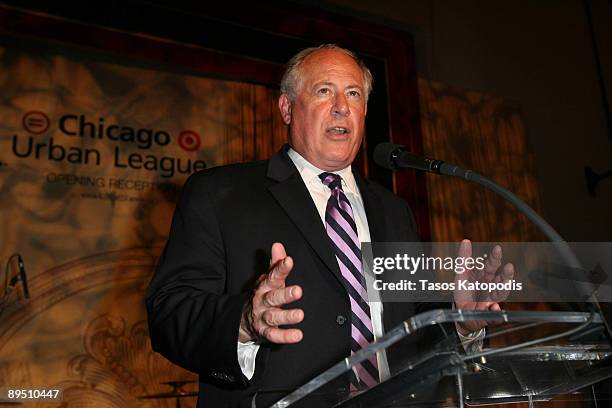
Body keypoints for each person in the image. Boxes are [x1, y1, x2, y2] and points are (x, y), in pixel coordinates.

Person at [146, 44, 512, 408]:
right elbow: (169, 313)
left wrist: (460, 323)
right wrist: (244, 322)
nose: (342, 106)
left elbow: (412, 326)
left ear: (364, 111)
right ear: (287, 108)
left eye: (353, 94)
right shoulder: (220, 194)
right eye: (324, 91)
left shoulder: (394, 211)